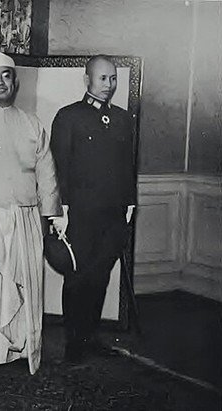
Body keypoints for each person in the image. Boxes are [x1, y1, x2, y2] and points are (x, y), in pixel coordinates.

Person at [0, 51, 62, 374]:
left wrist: (47, 216)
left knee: (25, 288)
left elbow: (47, 174)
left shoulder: (32, 122)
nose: (0, 83)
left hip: (25, 219)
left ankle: (21, 349)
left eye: (6, 76)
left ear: (15, 82)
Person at [50, 55, 137, 363]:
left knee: (100, 277)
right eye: (102, 78)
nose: (108, 85)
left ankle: (91, 336)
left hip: (112, 215)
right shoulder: (69, 117)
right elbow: (59, 166)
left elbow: (127, 165)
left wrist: (129, 202)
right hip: (80, 216)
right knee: (77, 278)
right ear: (86, 79)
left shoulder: (123, 119)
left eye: (113, 79)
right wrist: (60, 210)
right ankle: (74, 343)